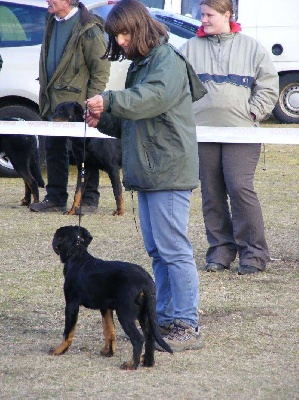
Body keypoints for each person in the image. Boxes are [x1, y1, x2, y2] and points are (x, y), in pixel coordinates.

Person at [85, 0, 206, 352]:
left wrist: (109, 99)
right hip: (149, 169)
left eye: (123, 33)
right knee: (158, 250)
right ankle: (165, 317)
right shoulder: (142, 64)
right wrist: (102, 120)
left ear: (139, 27)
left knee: (174, 250)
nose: (120, 41)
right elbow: (133, 120)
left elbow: (149, 100)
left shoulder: (166, 60)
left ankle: (186, 323)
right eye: (115, 35)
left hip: (168, 169)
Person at [180, 0, 279, 274]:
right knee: (211, 193)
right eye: (202, 15)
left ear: (227, 15)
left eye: (209, 15)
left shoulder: (251, 47)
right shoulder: (188, 49)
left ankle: (254, 254)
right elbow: (176, 86)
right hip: (203, 134)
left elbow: (269, 85)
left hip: (241, 133)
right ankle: (220, 251)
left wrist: (254, 112)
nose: (204, 20)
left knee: (239, 187)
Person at [30, 0, 110, 213]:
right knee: (53, 150)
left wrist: (93, 104)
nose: (47, 0)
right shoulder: (51, 20)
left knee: (86, 152)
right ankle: (55, 198)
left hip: (78, 108)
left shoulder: (89, 28)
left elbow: (100, 70)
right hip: (53, 104)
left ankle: (90, 200)